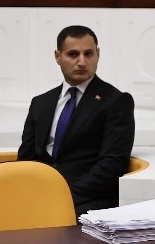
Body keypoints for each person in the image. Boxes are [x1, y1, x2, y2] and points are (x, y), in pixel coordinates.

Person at [17, 25, 135, 215]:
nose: (82, 62)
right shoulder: (41, 103)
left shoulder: (116, 102)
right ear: (58, 56)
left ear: (98, 54)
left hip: (86, 202)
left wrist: (62, 196)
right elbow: (26, 158)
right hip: (38, 195)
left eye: (88, 54)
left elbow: (112, 164)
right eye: (73, 54)